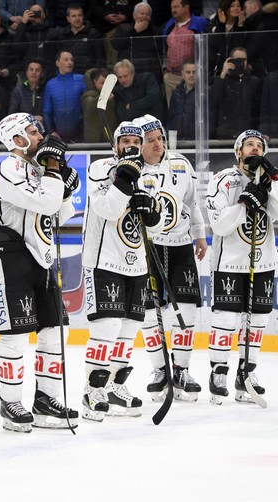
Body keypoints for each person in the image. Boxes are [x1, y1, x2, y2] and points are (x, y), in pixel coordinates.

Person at [0, 113, 79, 432]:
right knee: (13, 333)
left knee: (54, 329)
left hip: (40, 253)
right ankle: (10, 402)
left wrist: (65, 186)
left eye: (38, 129)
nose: (40, 135)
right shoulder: (7, 167)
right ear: (15, 140)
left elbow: (62, 213)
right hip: (8, 251)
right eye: (31, 131)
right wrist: (54, 171)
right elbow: (43, 204)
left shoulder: (39, 169)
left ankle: (46, 400)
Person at [82, 120, 165, 420]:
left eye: (135, 140)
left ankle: (116, 386)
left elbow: (158, 224)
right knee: (105, 329)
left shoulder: (151, 176)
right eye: (124, 140)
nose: (130, 145)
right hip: (103, 259)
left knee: (129, 330)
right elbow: (106, 209)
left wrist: (151, 211)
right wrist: (124, 181)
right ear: (115, 145)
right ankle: (92, 390)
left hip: (137, 261)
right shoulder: (99, 168)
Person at [204, 130, 278, 404]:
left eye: (260, 146)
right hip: (229, 262)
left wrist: (272, 181)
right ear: (238, 152)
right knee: (225, 320)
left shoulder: (272, 181)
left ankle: (247, 374)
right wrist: (245, 201)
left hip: (263, 260)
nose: (255, 149)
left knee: (256, 321)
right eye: (249, 145)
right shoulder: (223, 180)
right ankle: (218, 373)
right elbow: (219, 224)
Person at [133, 114, 207, 402]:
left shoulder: (180, 163)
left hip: (181, 245)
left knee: (187, 309)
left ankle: (182, 369)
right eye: (150, 140)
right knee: (150, 311)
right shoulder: (132, 170)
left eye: (160, 138)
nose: (157, 144)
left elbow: (192, 203)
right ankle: (160, 370)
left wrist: (200, 235)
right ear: (139, 144)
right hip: (147, 248)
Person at [211, 46, 261, 139]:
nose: (241, 62)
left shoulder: (254, 81)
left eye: (244, 59)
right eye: (238, 60)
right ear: (231, 61)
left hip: (248, 133)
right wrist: (222, 74)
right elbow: (214, 100)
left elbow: (257, 108)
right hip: (226, 133)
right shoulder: (223, 80)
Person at [47, 3, 104, 75]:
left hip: (88, 76)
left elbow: (100, 59)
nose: (77, 18)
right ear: (68, 18)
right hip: (68, 75)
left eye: (79, 15)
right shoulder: (62, 36)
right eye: (74, 16)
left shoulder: (93, 34)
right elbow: (58, 58)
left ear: (83, 16)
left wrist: (92, 76)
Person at [42, 50, 86, 142]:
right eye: (66, 60)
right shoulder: (50, 84)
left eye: (71, 60)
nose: (70, 62)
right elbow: (46, 111)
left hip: (80, 135)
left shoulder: (81, 80)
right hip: (57, 136)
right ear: (57, 63)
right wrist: (51, 132)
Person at [112, 58, 163, 123]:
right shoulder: (118, 91)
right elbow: (123, 116)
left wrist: (132, 105)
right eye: (120, 77)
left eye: (125, 76)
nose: (123, 80)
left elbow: (153, 99)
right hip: (133, 127)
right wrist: (145, 107)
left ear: (132, 73)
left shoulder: (147, 78)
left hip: (153, 122)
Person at [168, 61, 197, 138]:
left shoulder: (204, 93)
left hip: (196, 140)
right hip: (178, 139)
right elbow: (171, 116)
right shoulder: (176, 93)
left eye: (194, 72)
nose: (191, 75)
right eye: (188, 72)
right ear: (182, 74)